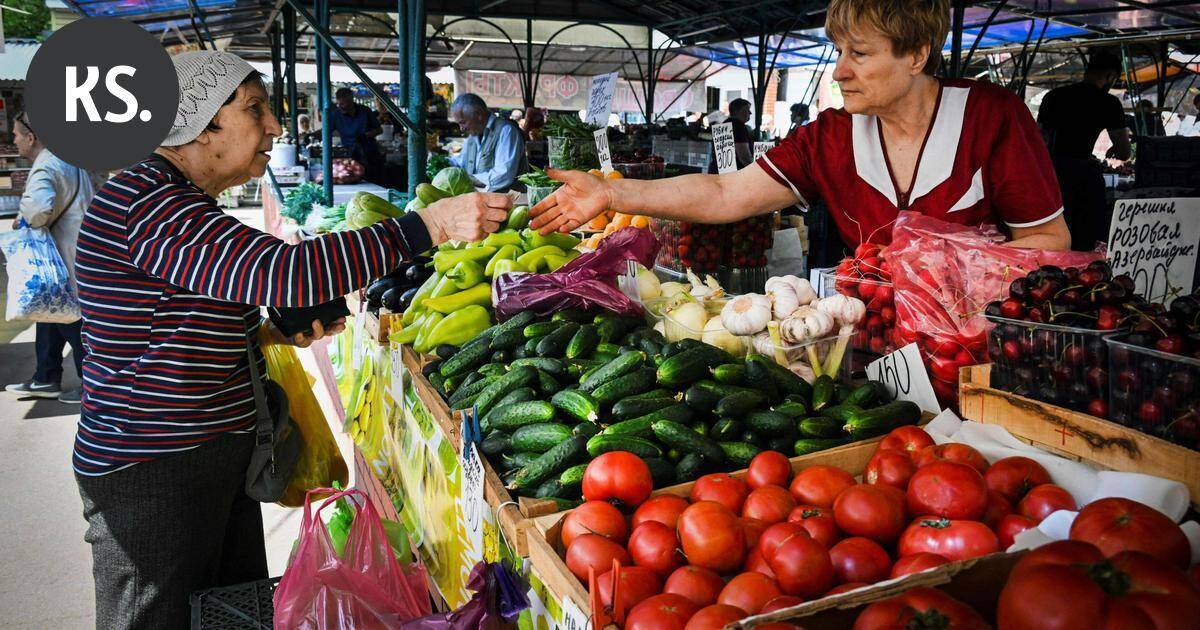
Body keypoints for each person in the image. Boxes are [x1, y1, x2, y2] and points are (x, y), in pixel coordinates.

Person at [72, 51, 507, 628]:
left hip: (202, 457)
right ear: (202, 125)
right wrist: (430, 224)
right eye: (255, 109)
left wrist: (268, 330)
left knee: (225, 613)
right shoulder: (148, 202)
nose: (275, 126)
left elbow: (166, 323)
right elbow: (287, 271)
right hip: (154, 472)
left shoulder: (176, 200)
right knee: (158, 619)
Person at [531, 0, 1070, 252]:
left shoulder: (992, 118)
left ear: (917, 54)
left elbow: (1050, 238)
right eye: (839, 51)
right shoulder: (830, 136)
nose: (839, 71)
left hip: (975, 354)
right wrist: (610, 192)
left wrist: (945, 269)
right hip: (874, 357)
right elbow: (725, 192)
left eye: (859, 53)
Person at [3, 111, 96, 404]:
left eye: (17, 135)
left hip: (58, 256)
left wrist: (22, 222)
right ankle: (45, 377)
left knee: (69, 318)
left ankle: (92, 386)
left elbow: (38, 209)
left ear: (31, 137)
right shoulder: (71, 160)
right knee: (49, 311)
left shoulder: (46, 165)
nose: (15, 140)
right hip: (77, 248)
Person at [1038, 51, 1132, 251]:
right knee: (1086, 239)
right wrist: (1115, 148)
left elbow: (1039, 140)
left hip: (1050, 174)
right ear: (1110, 76)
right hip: (1083, 175)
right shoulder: (1108, 103)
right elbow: (1124, 151)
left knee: (1052, 233)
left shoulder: (1054, 96)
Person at [448, 93, 528, 192]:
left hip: (510, 201)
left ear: (479, 114)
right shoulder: (472, 137)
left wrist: (468, 179)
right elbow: (460, 162)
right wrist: (442, 163)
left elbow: (503, 174)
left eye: (463, 122)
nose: (462, 129)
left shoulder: (506, 131)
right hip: (479, 200)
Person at [330, 87, 383, 179]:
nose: (344, 106)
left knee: (374, 179)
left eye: (347, 103)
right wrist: (312, 135)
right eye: (341, 104)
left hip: (370, 153)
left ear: (352, 99)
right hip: (350, 155)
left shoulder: (365, 111)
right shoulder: (336, 115)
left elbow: (379, 130)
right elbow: (326, 131)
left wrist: (365, 135)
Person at [706, 98, 754, 173]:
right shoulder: (738, 127)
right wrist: (754, 171)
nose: (750, 113)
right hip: (733, 175)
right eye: (748, 110)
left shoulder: (723, 125)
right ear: (741, 111)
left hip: (716, 171)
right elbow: (744, 156)